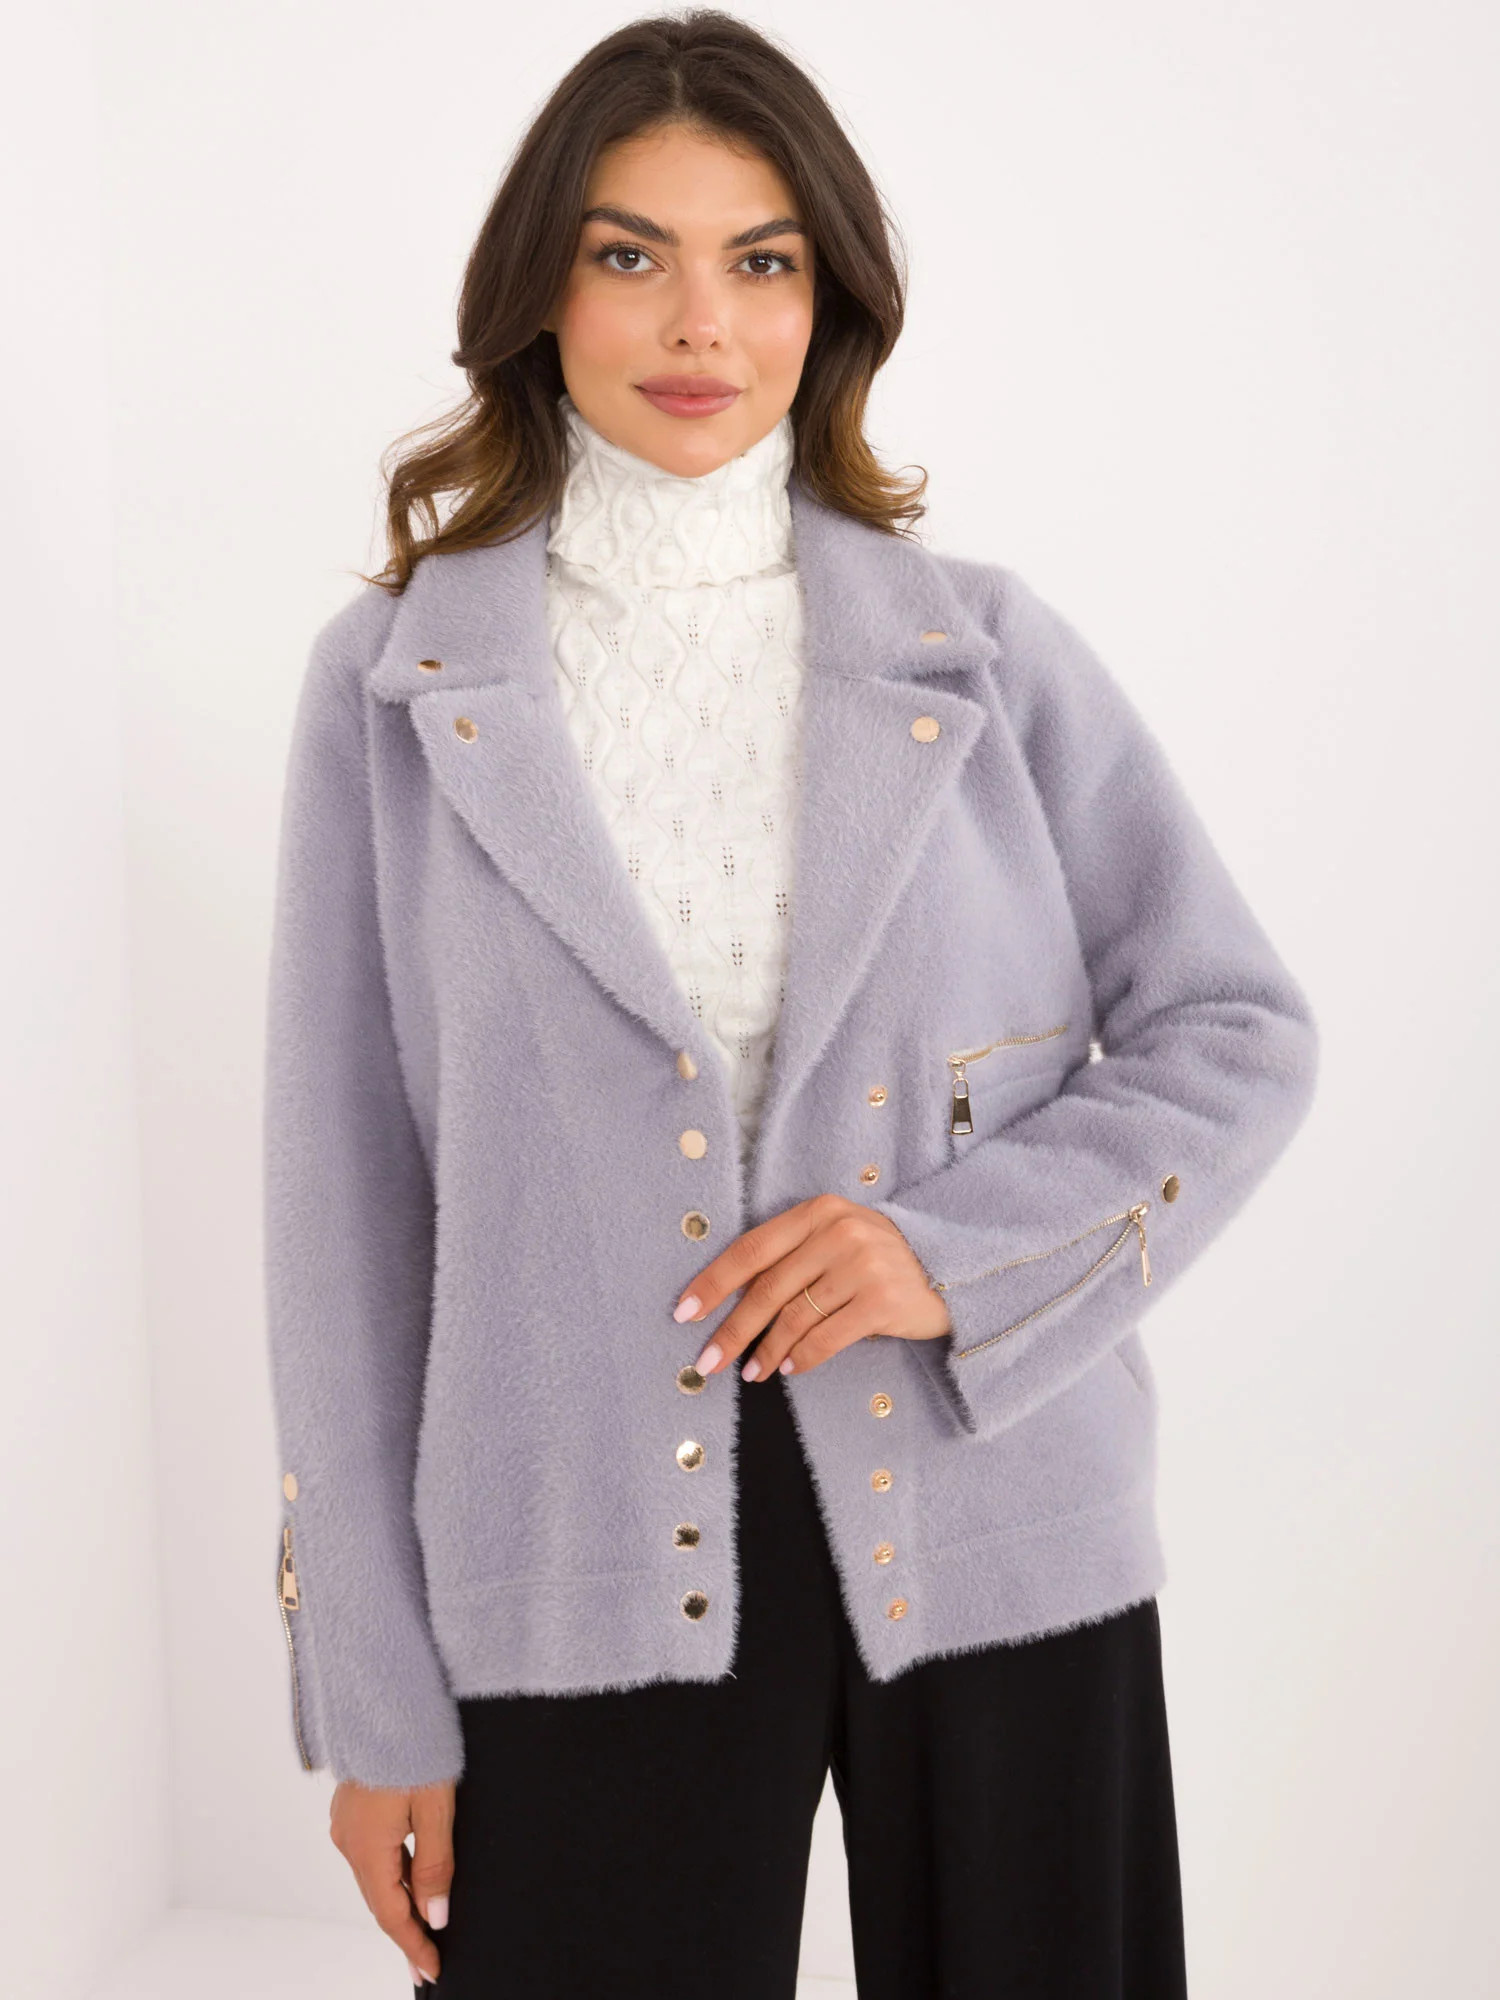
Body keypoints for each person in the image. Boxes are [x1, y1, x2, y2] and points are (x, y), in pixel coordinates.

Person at [263, 12, 1319, 1997]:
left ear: (826, 300)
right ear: (541, 290)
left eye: (761, 260)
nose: (701, 322)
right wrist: (372, 1695)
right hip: (567, 1554)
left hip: (1000, 1508)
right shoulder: (396, 683)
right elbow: (344, 1211)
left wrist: (951, 1253)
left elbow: (1235, 1030)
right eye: (629, 252)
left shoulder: (982, 649)